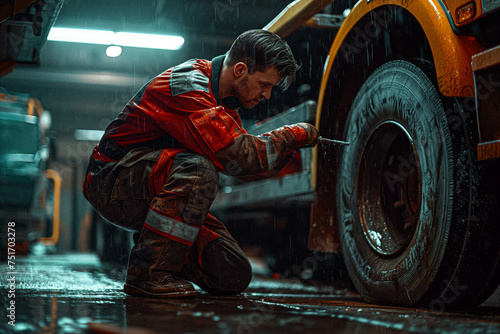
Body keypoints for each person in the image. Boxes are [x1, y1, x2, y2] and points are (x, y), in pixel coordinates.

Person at [83, 29, 319, 298]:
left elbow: (243, 169)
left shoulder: (223, 106)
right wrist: (293, 134)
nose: (266, 95)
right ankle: (148, 275)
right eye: (264, 85)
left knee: (232, 273)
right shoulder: (189, 85)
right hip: (109, 181)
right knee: (198, 170)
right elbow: (239, 156)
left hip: (145, 181)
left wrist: (284, 154)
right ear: (240, 70)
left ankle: (161, 254)